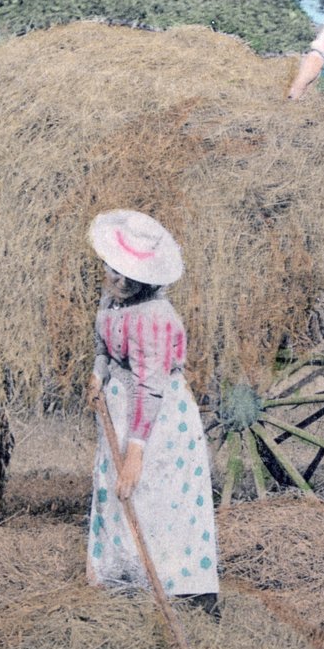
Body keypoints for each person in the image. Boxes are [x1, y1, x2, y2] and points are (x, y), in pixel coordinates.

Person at [85, 210, 220, 616]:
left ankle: (179, 587)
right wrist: (97, 377)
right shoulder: (111, 301)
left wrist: (137, 451)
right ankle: (123, 579)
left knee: (153, 493)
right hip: (119, 406)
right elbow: (102, 349)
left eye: (129, 277)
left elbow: (150, 385)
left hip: (158, 419)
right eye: (114, 271)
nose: (118, 281)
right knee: (116, 489)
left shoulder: (155, 317)